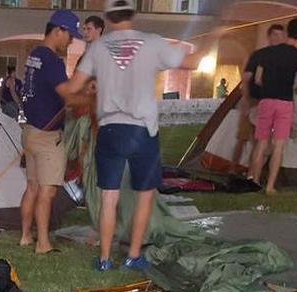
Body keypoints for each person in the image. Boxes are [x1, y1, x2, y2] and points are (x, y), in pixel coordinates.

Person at [61, 0, 207, 271]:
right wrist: (210, 40)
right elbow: (192, 63)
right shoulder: (151, 42)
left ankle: (104, 260)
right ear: (133, 14)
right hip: (142, 131)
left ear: (109, 18)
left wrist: (90, 91)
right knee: (144, 195)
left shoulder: (99, 48)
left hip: (110, 129)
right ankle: (133, 256)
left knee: (108, 197)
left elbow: (72, 89)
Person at [18, 10, 83, 254]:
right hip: (47, 137)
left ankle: (26, 236)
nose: (71, 41)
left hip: (30, 131)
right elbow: (68, 95)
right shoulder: (53, 60)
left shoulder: (35, 54)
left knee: (32, 187)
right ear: (58, 30)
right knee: (47, 191)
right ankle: (43, 244)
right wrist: (89, 96)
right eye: (70, 36)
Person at [247, 18, 297, 194]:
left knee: (261, 143)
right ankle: (270, 186)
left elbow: (258, 79)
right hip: (285, 103)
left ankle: (254, 181)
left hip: (266, 101)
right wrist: (294, 88)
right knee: (278, 146)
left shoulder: (267, 53)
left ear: (287, 31)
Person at [234, 24, 286, 174]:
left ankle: (252, 173)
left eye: (280, 35)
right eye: (275, 35)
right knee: (245, 138)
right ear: (269, 37)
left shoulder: (282, 57)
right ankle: (235, 170)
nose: (277, 38)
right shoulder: (259, 55)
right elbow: (247, 78)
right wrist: (246, 99)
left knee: (262, 142)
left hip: (269, 102)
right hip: (254, 100)